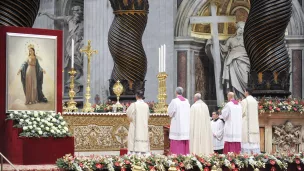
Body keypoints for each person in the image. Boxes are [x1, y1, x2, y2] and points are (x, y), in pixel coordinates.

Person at [39, 6, 84, 84]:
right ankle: (77, 72)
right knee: (70, 55)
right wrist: (45, 13)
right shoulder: (69, 19)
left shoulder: (83, 22)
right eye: (77, 11)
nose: (79, 12)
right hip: (70, 41)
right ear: (73, 12)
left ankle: (79, 72)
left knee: (74, 55)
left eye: (80, 11)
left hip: (78, 41)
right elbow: (55, 17)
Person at [206, 22, 250, 99]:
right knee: (233, 80)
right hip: (232, 61)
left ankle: (244, 97)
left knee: (245, 79)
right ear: (237, 29)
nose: (241, 30)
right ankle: (236, 97)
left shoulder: (247, 39)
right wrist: (215, 42)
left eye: (243, 28)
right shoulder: (231, 39)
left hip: (244, 60)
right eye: (240, 28)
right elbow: (224, 49)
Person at [126, 90, 150, 155]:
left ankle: (134, 153)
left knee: (133, 137)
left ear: (136, 96)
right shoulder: (146, 105)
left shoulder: (134, 105)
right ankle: (143, 152)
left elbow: (128, 113)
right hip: (143, 126)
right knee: (143, 136)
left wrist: (131, 120)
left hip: (135, 126)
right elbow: (148, 116)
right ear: (142, 96)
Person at [168, 87, 190, 155]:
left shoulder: (174, 101)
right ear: (182, 92)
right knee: (184, 138)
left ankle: (176, 154)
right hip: (185, 125)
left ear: (176, 92)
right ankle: (185, 154)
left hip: (177, 125)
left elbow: (170, 113)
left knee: (176, 138)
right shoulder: (187, 101)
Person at [241, 88, 260, 154]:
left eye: (244, 91)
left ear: (246, 92)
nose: (244, 93)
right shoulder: (255, 101)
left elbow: (241, 112)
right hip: (254, 125)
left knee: (246, 142)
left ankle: (246, 155)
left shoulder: (244, 101)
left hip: (246, 124)